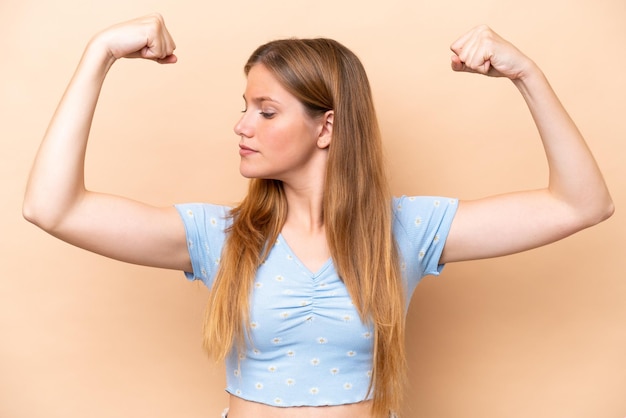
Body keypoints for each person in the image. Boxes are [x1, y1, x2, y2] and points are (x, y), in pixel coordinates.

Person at [23, 13, 613, 418]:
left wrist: (525, 74)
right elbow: (52, 208)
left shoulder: (403, 231)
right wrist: (98, 54)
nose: (241, 125)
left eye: (266, 110)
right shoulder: (219, 237)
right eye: (244, 106)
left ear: (326, 126)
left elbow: (582, 203)